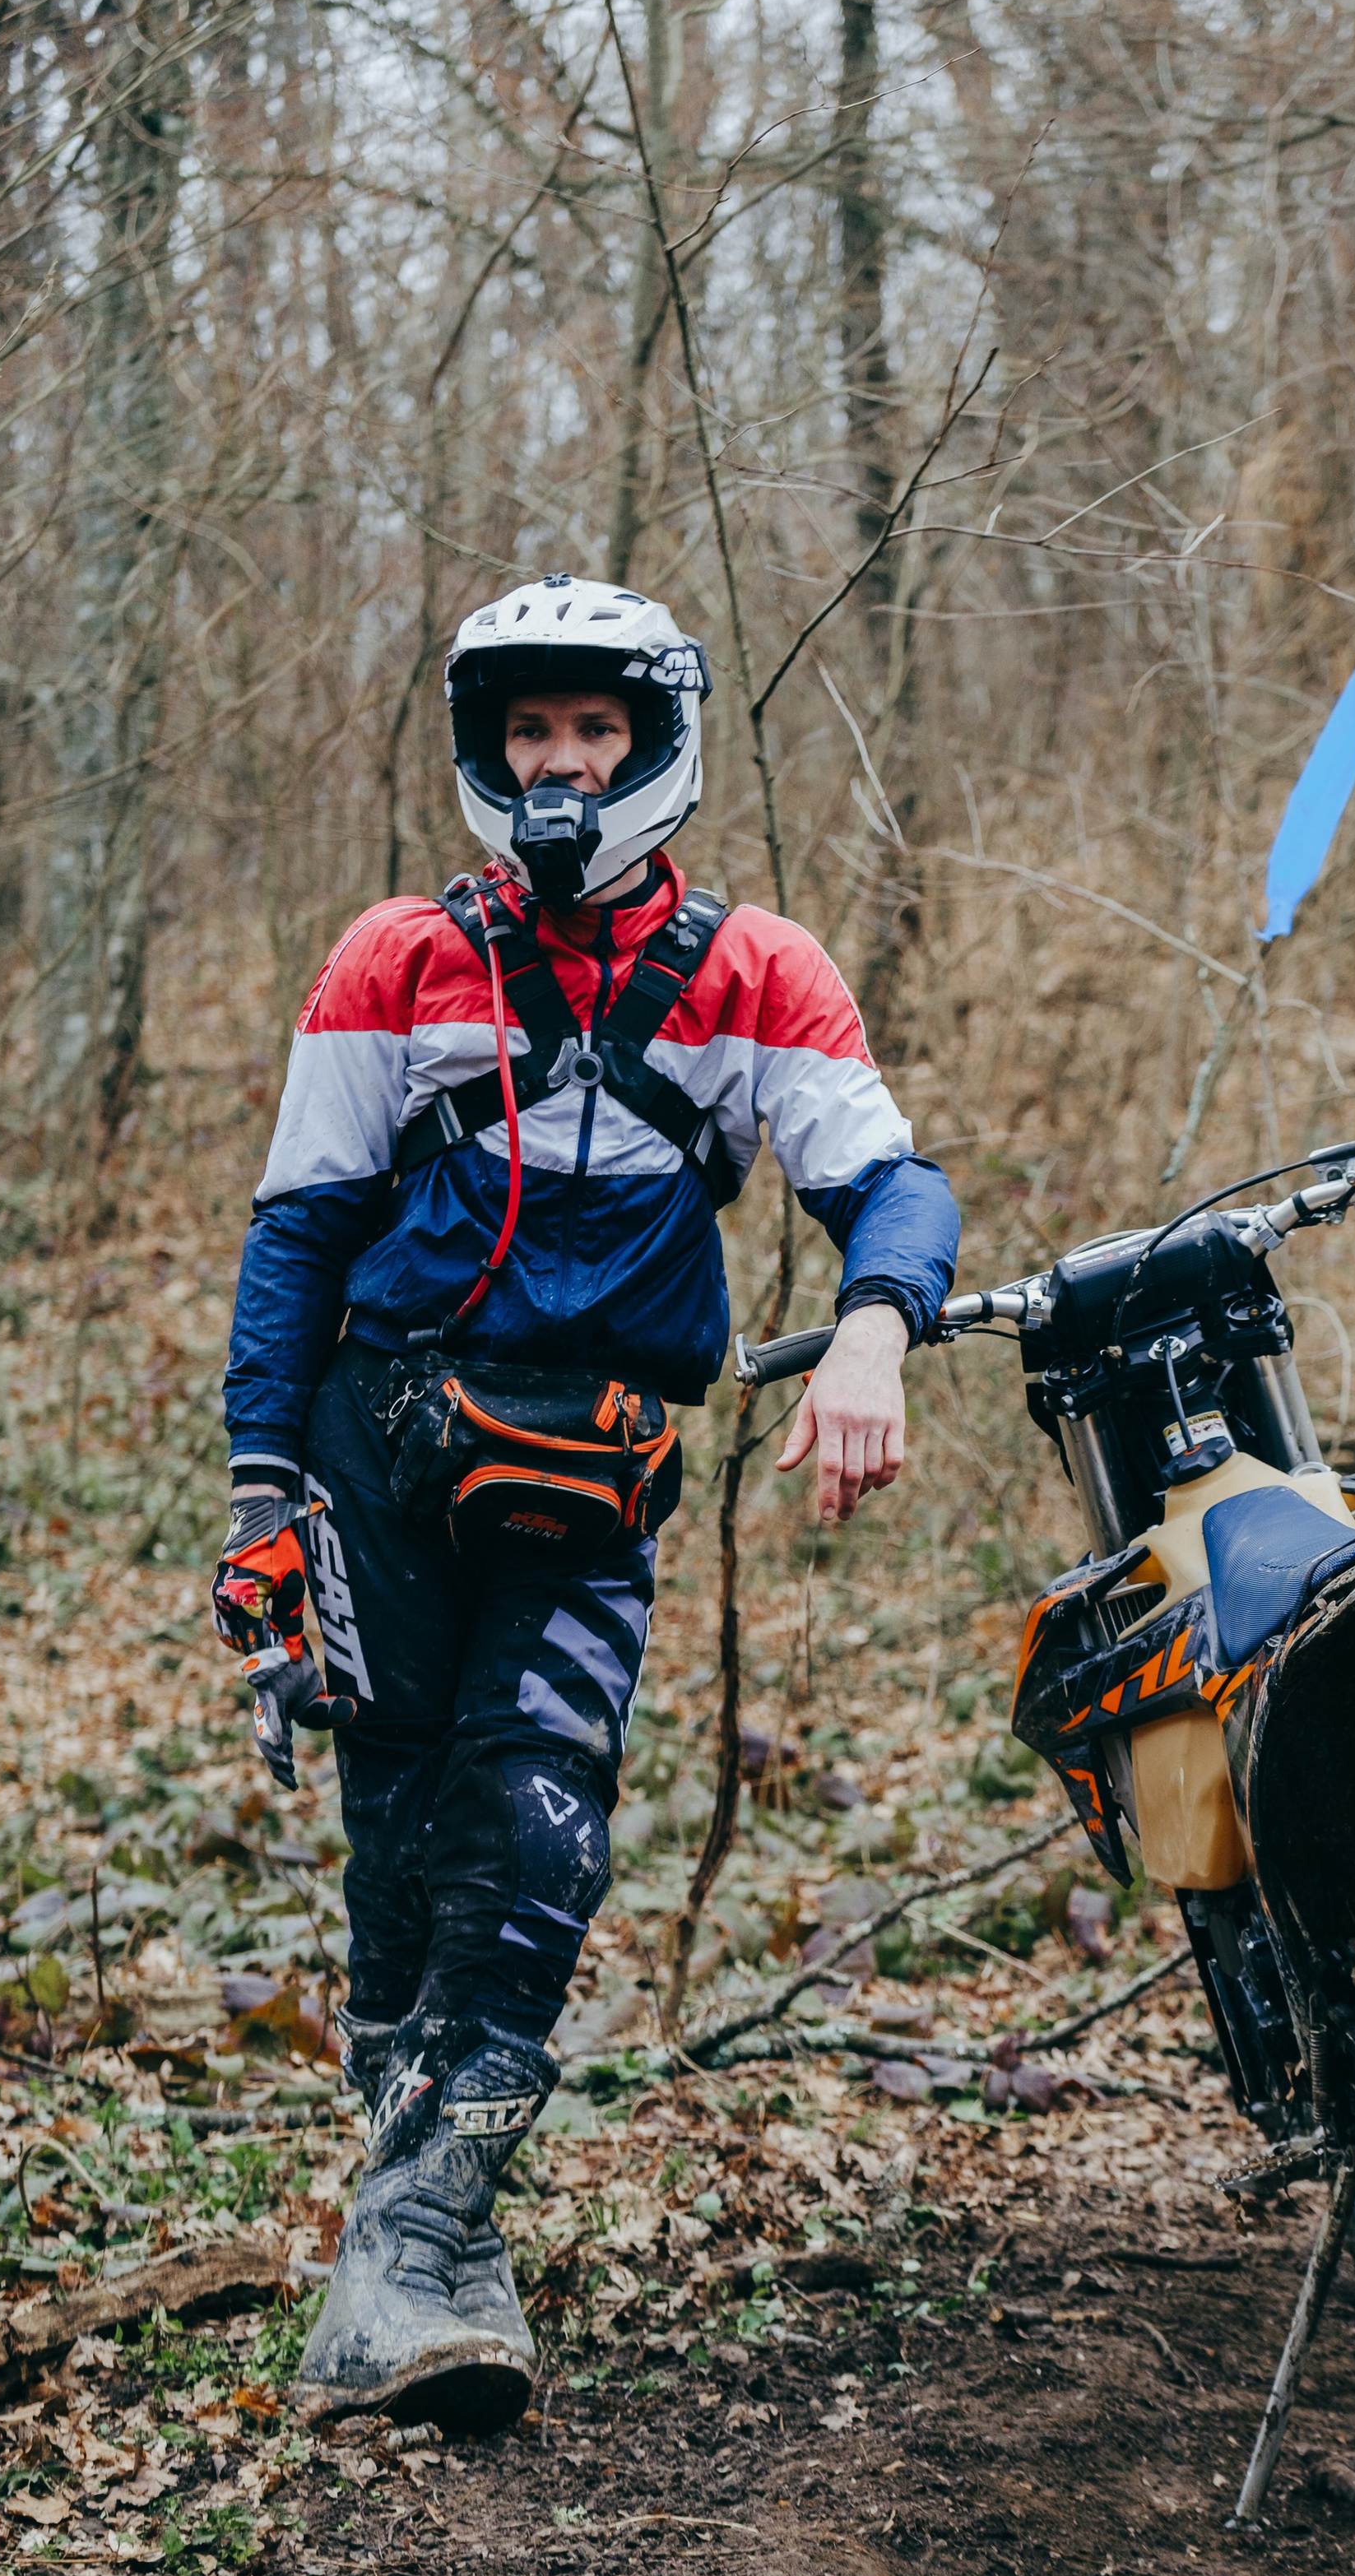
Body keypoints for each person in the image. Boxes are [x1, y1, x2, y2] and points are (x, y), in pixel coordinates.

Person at [212, 573, 958, 2431]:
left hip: (594, 1462)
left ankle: (420, 2235)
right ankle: (421, 2253)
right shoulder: (393, 956)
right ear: (486, 749)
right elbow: (296, 1237)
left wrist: (871, 1335)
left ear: (651, 745)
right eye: (530, 733)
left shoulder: (756, 971)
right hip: (374, 1443)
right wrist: (255, 1499)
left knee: (536, 1828)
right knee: (400, 1835)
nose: (558, 765)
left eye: (591, 732)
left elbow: (894, 1187)